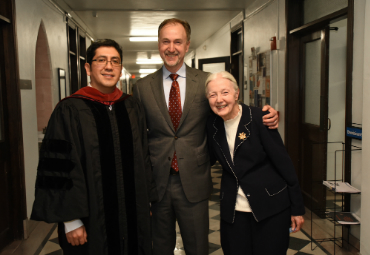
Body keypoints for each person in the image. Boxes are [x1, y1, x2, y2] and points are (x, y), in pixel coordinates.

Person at [133, 18, 279, 255]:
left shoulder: (204, 82)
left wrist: (265, 114)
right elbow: (137, 135)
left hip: (194, 180)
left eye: (178, 42)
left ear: (187, 44)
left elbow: (230, 107)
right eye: (166, 41)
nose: (172, 47)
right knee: (158, 247)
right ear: (158, 44)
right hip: (156, 182)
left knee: (198, 247)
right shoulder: (141, 87)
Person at [31, 39, 157, 255]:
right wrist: (70, 220)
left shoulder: (131, 106)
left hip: (132, 216)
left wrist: (147, 202)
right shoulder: (69, 110)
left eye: (115, 61)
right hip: (90, 221)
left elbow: (143, 158)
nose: (109, 66)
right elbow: (59, 170)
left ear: (120, 68)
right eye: (101, 60)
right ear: (88, 68)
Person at [205, 71, 305, 255]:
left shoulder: (260, 118)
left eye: (225, 92)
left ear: (236, 94)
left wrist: (297, 208)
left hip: (271, 209)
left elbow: (284, 164)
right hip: (233, 213)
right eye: (213, 95)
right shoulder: (212, 126)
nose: (219, 99)